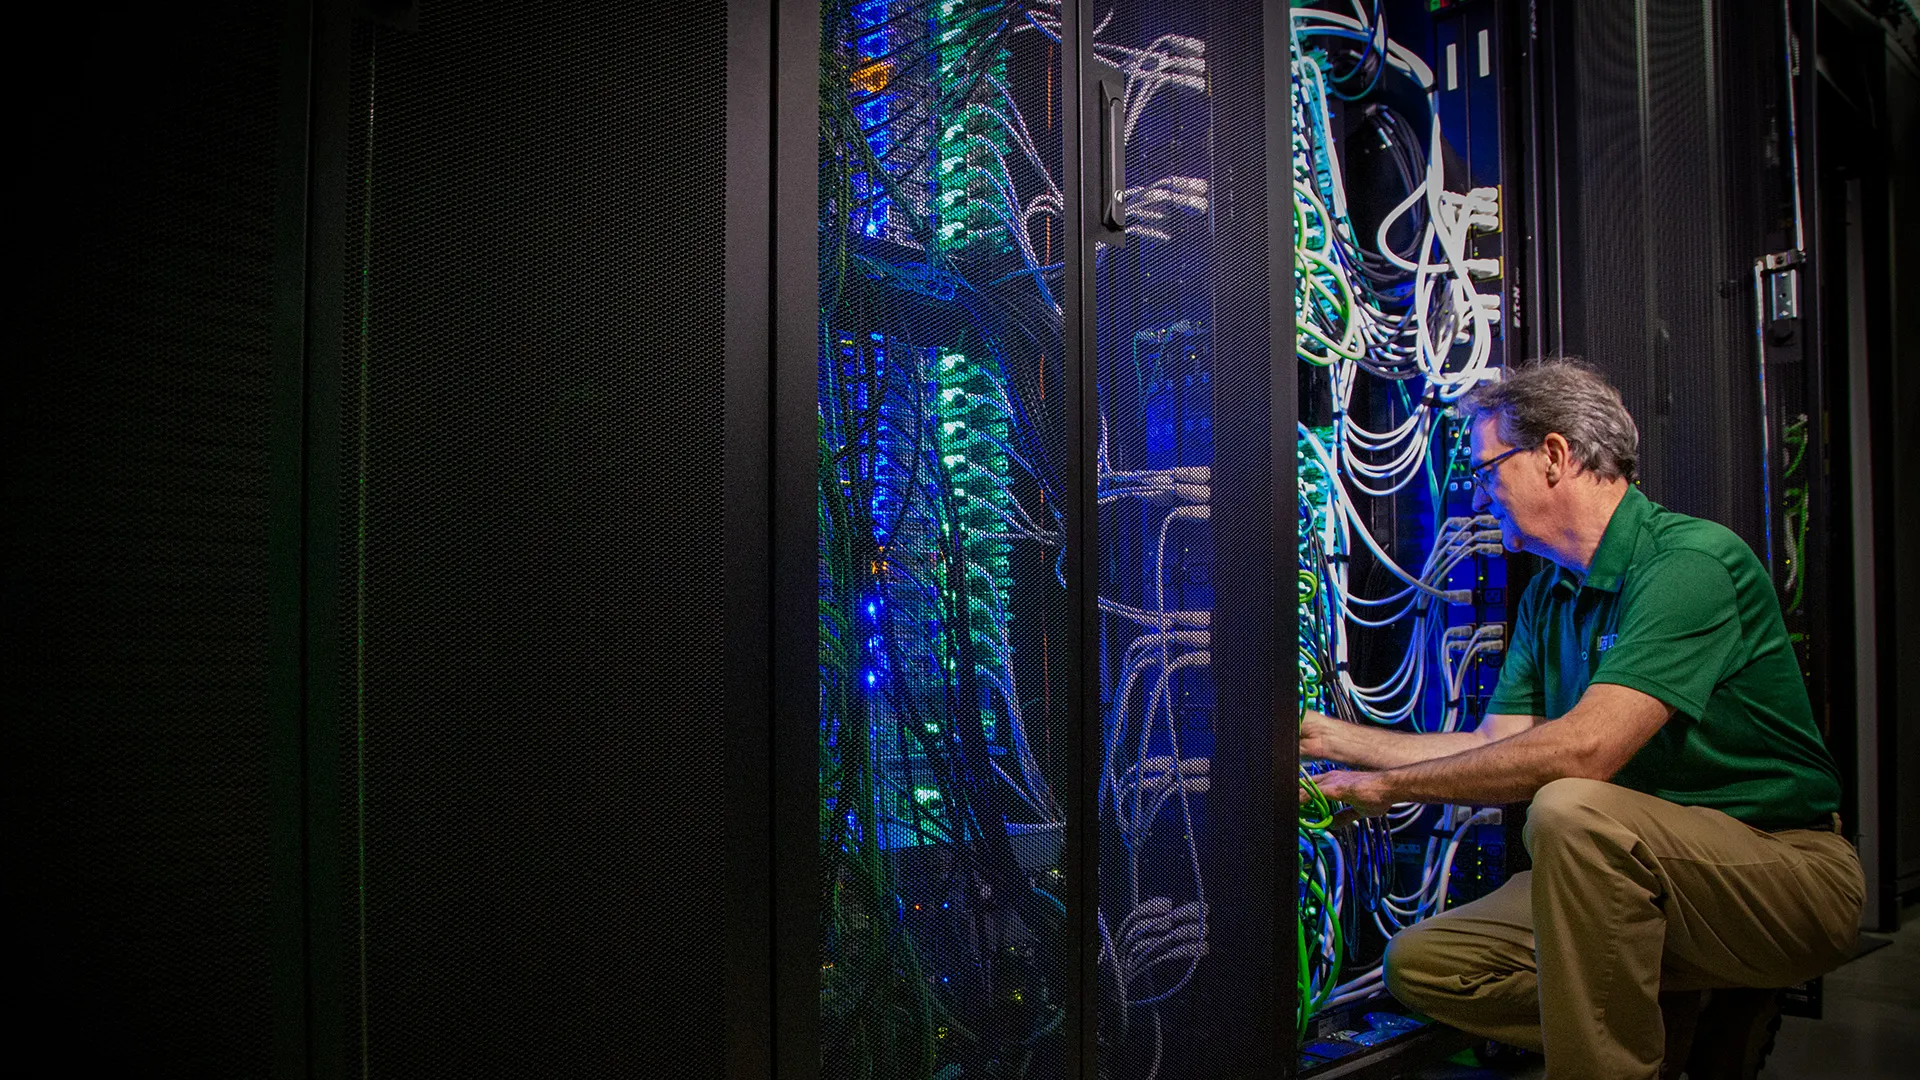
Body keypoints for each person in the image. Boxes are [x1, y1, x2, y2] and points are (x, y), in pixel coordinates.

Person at [1298, 360, 1863, 1080]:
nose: (1480, 495)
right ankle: (1665, 1021)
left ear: (1555, 456)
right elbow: (1495, 745)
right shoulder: (1551, 595)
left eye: (1487, 471)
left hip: (1784, 871)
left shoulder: (1690, 563)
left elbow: (1586, 751)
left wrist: (1381, 791)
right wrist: (1328, 739)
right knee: (1427, 964)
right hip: (1639, 880)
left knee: (1571, 810)